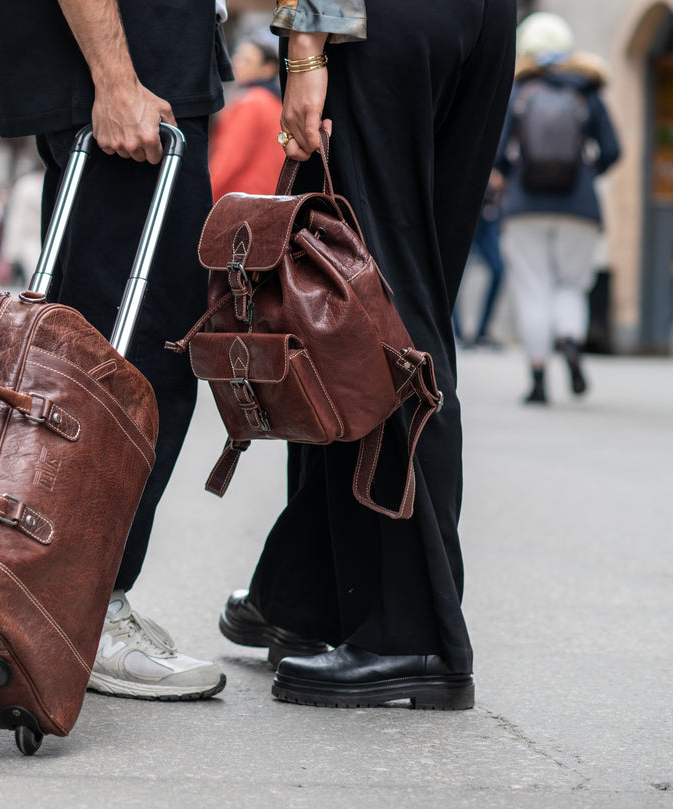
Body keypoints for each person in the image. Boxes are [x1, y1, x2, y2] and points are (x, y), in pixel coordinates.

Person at [218, 0, 515, 710]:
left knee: (368, 310)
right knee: (402, 299)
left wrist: (307, 50)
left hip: (377, 21)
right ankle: (309, 591)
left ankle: (411, 634)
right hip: (480, 22)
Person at [0, 0, 233, 701]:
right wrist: (115, 77)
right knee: (137, 362)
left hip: (137, 76)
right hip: (129, 82)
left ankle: (69, 597)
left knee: (95, 354)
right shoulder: (122, 81)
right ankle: (84, 606)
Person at [494, 13, 620, 405]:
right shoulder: (586, 90)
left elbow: (497, 155)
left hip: (524, 205)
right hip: (579, 207)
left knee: (533, 287)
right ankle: (569, 338)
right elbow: (613, 150)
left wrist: (515, 172)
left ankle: (537, 380)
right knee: (571, 284)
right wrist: (585, 173)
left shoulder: (518, 92)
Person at [209, 31, 286, 200]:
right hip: (270, 197)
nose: (236, 63)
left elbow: (229, 158)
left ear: (267, 69)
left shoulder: (250, 102)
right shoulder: (276, 104)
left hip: (240, 199)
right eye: (237, 56)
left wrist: (206, 198)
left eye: (246, 59)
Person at [456, 177, 507, 349]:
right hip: (462, 206)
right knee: (454, 271)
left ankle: (482, 332)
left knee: (498, 270)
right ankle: (456, 332)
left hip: (488, 212)